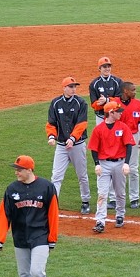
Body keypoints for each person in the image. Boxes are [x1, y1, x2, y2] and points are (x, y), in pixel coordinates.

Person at [0, 155, 58, 277]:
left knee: (37, 272)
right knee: (24, 275)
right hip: (20, 237)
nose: (16, 172)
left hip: (40, 236)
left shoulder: (46, 187)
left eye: (19, 169)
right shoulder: (11, 189)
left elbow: (53, 214)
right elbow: (4, 214)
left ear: (29, 170)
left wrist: (52, 238)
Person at [46, 76, 91, 215]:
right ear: (64, 88)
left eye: (75, 87)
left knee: (82, 175)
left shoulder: (81, 103)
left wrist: (72, 138)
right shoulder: (55, 103)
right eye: (71, 87)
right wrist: (51, 136)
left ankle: (85, 201)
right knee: (56, 176)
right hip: (61, 146)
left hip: (77, 145)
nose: (73, 89)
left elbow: (82, 124)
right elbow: (51, 123)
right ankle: (53, 204)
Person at [89, 100, 135, 233]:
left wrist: (126, 163)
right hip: (104, 164)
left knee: (120, 192)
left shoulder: (123, 127)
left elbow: (129, 146)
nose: (121, 113)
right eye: (118, 111)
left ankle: (120, 215)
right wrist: (97, 164)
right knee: (102, 193)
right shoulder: (98, 129)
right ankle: (100, 221)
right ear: (110, 113)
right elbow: (94, 148)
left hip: (120, 163)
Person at [118, 81, 140, 209]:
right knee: (117, 168)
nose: (135, 92)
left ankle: (134, 198)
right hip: (119, 138)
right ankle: (114, 198)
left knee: (133, 169)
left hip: (134, 137)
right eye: (133, 90)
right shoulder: (115, 103)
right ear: (125, 91)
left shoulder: (138, 103)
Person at [88, 56, 123, 125]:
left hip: (115, 115)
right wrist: (101, 103)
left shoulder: (118, 82)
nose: (107, 69)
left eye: (109, 67)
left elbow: (120, 100)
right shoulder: (94, 84)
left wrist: (107, 100)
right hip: (100, 116)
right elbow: (93, 104)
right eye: (104, 67)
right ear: (99, 68)